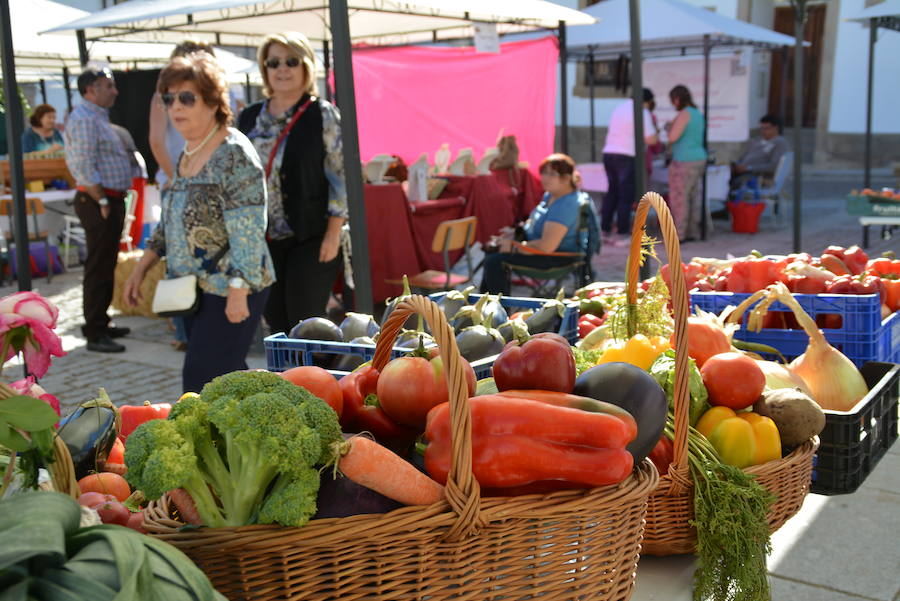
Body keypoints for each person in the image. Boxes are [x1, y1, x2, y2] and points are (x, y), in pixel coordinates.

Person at [122, 52, 274, 393]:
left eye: (186, 98)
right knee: (225, 379)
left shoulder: (233, 152)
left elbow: (249, 228)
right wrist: (140, 268)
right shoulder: (189, 152)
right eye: (169, 99)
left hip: (231, 286)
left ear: (213, 101)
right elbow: (171, 220)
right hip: (192, 288)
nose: (175, 106)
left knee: (201, 379)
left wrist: (239, 291)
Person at [237, 32, 347, 335]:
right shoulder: (248, 117)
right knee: (275, 320)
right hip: (263, 238)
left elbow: (340, 177)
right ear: (264, 69)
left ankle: (319, 368)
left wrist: (333, 234)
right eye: (273, 62)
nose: (282, 69)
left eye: (291, 61)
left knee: (305, 321)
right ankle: (286, 369)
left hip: (311, 234)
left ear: (306, 66)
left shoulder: (322, 114)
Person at [64, 67, 141, 353]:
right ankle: (95, 332)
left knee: (106, 263)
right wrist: (103, 201)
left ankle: (102, 321)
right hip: (98, 200)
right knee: (97, 266)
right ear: (91, 89)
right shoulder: (85, 118)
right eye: (108, 86)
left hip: (108, 199)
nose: (115, 91)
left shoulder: (96, 116)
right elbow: (83, 164)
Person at [148, 40, 217, 352]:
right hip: (178, 183)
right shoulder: (162, 97)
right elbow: (156, 142)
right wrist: (178, 181)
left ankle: (198, 328)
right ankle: (183, 329)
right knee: (178, 262)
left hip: (202, 184)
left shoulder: (212, 94)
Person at [480, 153, 592, 295]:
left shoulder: (566, 205)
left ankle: (499, 306)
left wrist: (513, 247)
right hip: (539, 250)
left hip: (557, 258)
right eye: (543, 173)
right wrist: (516, 232)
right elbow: (536, 221)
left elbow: (546, 246)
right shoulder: (551, 194)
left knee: (494, 261)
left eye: (552, 174)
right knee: (492, 250)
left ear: (567, 178)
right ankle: (486, 301)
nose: (545, 178)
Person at [601, 88, 658, 245]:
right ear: (647, 101)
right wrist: (657, 132)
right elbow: (651, 139)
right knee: (625, 196)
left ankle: (605, 230)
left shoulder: (619, 108)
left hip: (609, 153)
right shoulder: (642, 111)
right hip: (627, 155)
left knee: (612, 193)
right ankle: (622, 233)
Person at [666, 84, 707, 243]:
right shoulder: (697, 113)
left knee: (679, 198)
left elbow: (673, 137)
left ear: (677, 99)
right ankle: (692, 231)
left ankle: (679, 234)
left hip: (684, 160)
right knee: (693, 197)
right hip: (698, 158)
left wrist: (669, 128)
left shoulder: (684, 114)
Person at [730, 114, 790, 190]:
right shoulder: (756, 140)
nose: (763, 131)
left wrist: (749, 168)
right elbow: (742, 157)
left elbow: (774, 165)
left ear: (776, 128)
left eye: (766, 128)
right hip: (741, 172)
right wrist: (736, 166)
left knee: (730, 183)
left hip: (758, 176)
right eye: (761, 128)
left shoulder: (780, 143)